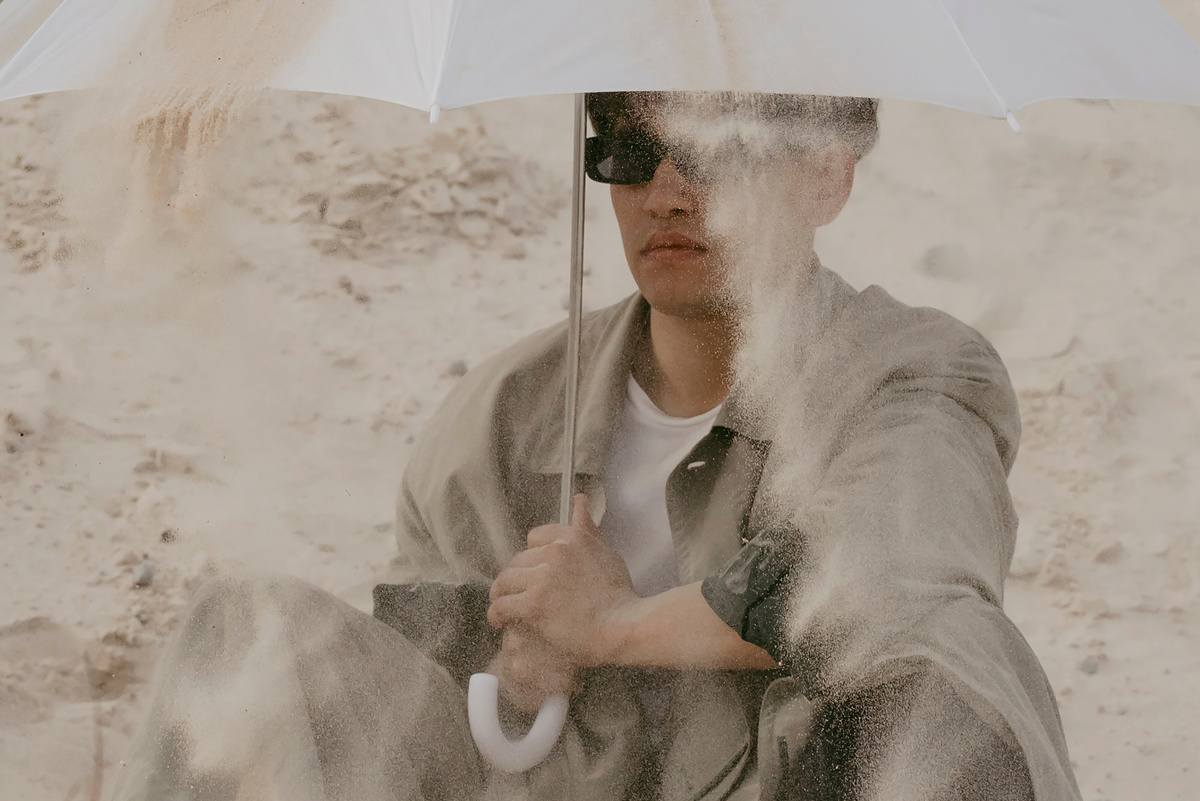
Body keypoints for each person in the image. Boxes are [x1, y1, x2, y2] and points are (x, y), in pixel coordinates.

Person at [112, 92, 1081, 801]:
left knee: (945, 678)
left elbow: (885, 580)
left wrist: (610, 624)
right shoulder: (501, 413)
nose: (665, 191)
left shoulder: (910, 368)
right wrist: (513, 669)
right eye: (626, 146)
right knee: (241, 637)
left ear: (827, 175)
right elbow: (418, 699)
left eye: (715, 146)